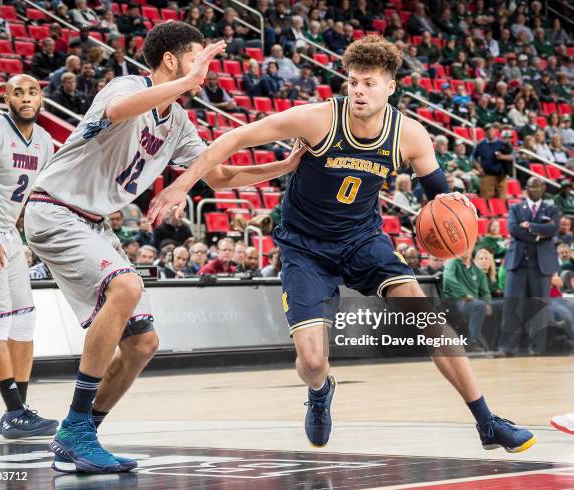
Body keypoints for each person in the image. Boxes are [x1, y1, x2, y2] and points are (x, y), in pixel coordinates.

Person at [152, 34, 535, 453]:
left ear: (390, 86)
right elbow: (233, 140)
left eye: (369, 82)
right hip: (305, 247)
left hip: (361, 240)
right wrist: (182, 186)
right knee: (313, 361)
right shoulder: (317, 119)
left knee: (426, 319)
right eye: (352, 81)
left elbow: (438, 195)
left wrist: (453, 202)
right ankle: (319, 391)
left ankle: (487, 422)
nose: (358, 90)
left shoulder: (410, 135)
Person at [25, 22, 305, 474]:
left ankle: (78, 435)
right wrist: (188, 81)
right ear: (172, 60)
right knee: (126, 286)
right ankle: (76, 427)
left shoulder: (177, 121)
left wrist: (285, 165)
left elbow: (218, 176)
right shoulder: (127, 85)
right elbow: (119, 110)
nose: (205, 69)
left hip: (94, 224)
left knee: (143, 344)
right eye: (197, 57)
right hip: (54, 208)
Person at [0, 75, 57, 439]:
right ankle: (13, 410)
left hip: (8, 233)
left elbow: (30, 194)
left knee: (25, 319)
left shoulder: (45, 142)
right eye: (18, 92)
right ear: (6, 98)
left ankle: (21, 410)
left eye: (32, 91)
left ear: (40, 97)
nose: (26, 97)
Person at [499, 177, 560, 356]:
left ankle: (537, 348)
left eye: (537, 186)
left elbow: (552, 230)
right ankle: (507, 348)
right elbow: (513, 229)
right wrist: (538, 233)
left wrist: (530, 226)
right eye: (530, 186)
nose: (533, 189)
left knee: (539, 308)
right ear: (525, 189)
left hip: (541, 266)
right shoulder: (516, 208)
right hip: (517, 264)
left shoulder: (552, 209)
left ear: (543, 188)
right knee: (512, 307)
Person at [443, 251, 492, 351]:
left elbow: (485, 292)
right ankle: (473, 343)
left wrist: (488, 304)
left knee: (501, 305)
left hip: (474, 302)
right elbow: (448, 279)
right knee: (479, 306)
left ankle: (499, 345)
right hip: (456, 302)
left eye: (468, 247)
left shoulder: (478, 271)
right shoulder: (453, 262)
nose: (465, 250)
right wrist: (464, 294)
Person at [472, 123, 513, 199]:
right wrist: (479, 168)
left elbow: (512, 156)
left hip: (501, 177)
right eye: (487, 130)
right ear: (485, 132)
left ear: (495, 131)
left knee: (501, 201)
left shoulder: (502, 144)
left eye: (491, 130)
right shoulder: (481, 145)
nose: (489, 132)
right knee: (486, 200)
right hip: (487, 176)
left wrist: (502, 157)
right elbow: (473, 158)